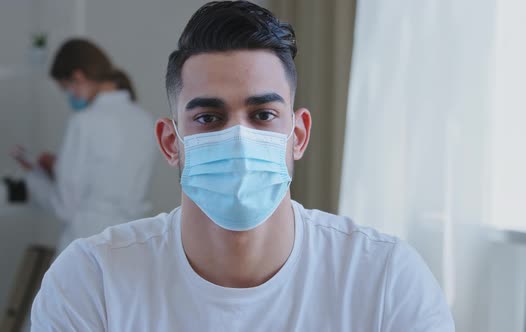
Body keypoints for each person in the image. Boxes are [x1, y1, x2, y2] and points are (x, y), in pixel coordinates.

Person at [30, 2, 455, 331]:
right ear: (169, 142)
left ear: (299, 134)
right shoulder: (90, 280)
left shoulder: (385, 279)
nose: (237, 137)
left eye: (263, 115)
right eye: (209, 118)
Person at [12, 39, 155, 252]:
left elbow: (65, 207)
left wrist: (34, 176)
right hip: (135, 240)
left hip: (89, 240)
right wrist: (59, 169)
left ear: (78, 77)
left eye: (67, 89)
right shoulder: (145, 120)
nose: (70, 97)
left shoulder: (84, 121)